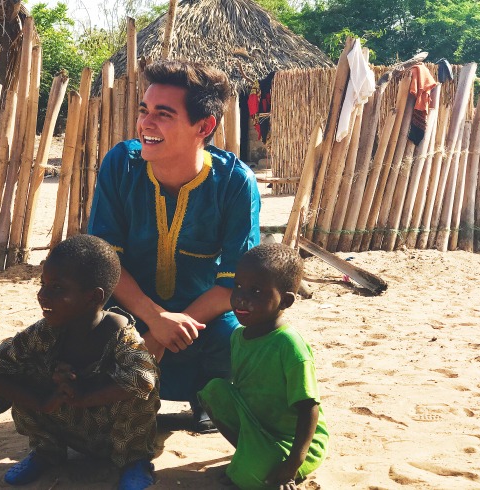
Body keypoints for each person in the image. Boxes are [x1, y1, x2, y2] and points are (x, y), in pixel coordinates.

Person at [87, 60, 261, 432]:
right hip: (131, 307)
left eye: (163, 114)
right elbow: (104, 261)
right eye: (144, 111)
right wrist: (154, 320)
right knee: (84, 322)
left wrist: (170, 328)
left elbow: (235, 283)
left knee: (241, 332)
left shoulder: (235, 183)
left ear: (205, 126)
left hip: (199, 317)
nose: (146, 124)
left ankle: (206, 397)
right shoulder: (121, 165)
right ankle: (113, 396)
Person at [0, 234, 160, 489]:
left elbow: (143, 379)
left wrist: (84, 395)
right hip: (64, 424)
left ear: (94, 297)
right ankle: (45, 452)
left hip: (115, 435)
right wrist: (41, 400)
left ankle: (134, 461)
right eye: (43, 284)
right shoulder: (45, 332)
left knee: (143, 382)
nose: (42, 295)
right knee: (18, 371)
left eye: (57, 288)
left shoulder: (120, 335)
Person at [197, 243, 329, 489]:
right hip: (258, 426)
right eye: (238, 286)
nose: (241, 298)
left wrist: (293, 464)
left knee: (250, 479)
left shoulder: (289, 345)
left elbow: (308, 407)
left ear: (286, 301)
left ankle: (261, 463)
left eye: (256, 291)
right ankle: (250, 456)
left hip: (293, 443)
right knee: (214, 390)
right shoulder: (238, 337)